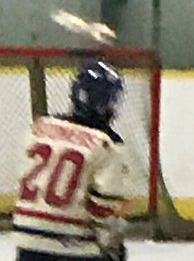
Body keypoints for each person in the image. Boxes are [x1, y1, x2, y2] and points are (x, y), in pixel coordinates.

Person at [13, 59, 131, 261]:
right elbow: (102, 207)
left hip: (26, 239)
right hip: (72, 244)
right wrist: (112, 244)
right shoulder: (108, 144)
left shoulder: (40, 128)